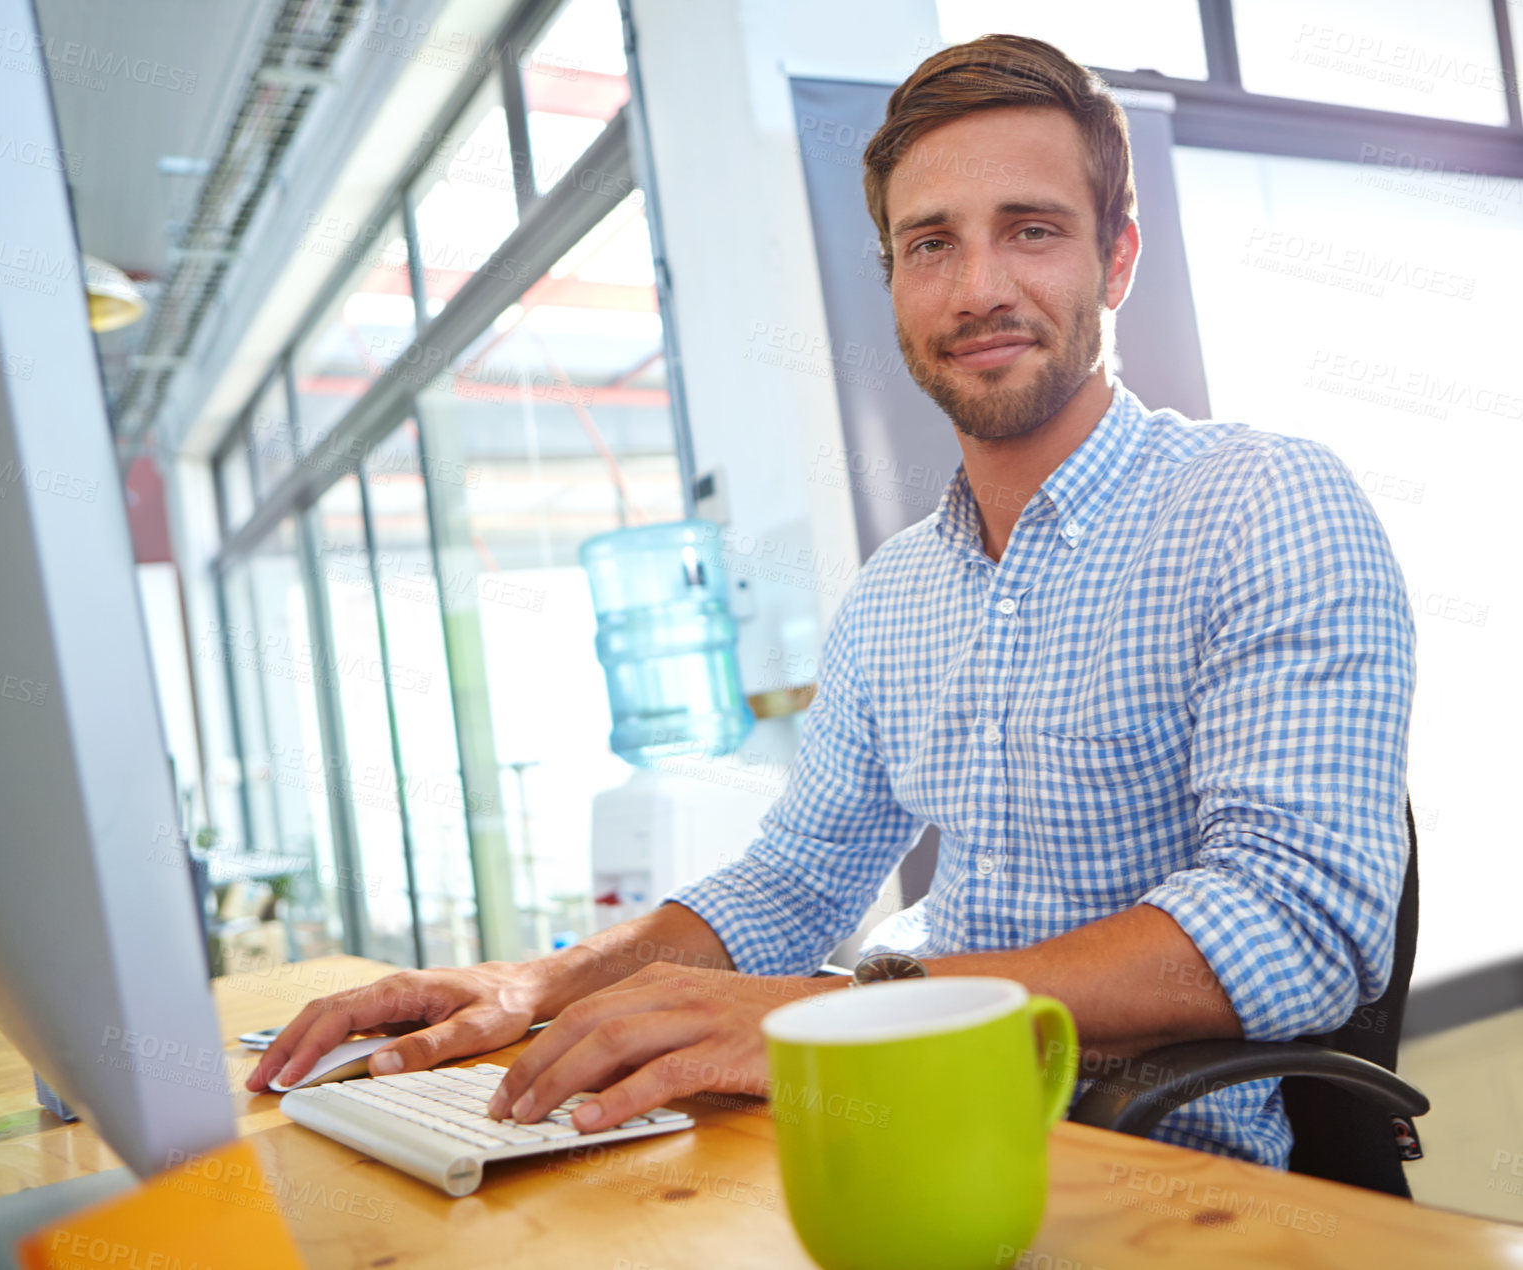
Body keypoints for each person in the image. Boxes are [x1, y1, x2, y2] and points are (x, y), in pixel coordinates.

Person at [249, 33, 1416, 1169]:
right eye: (928, 244)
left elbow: (1292, 926)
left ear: (1114, 259)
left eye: (1032, 231)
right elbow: (794, 880)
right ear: (894, 284)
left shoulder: (1265, 505)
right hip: (886, 1132)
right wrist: (538, 981)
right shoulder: (896, 594)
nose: (977, 287)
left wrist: (860, 1015)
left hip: (1147, 1182)